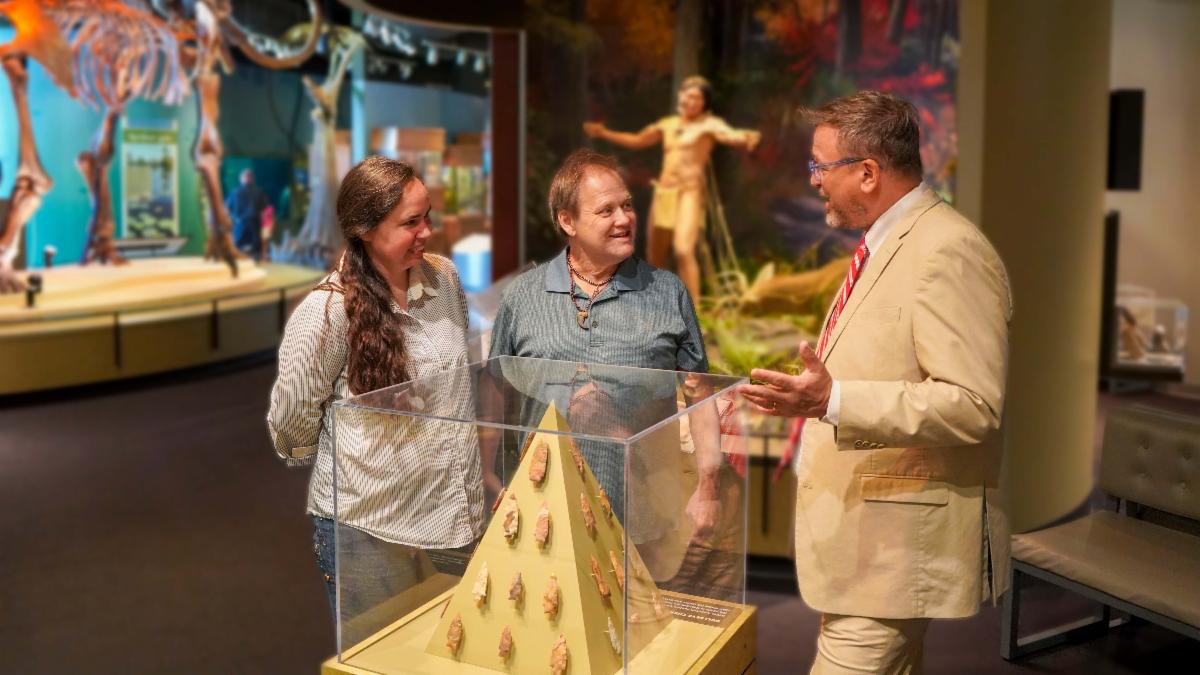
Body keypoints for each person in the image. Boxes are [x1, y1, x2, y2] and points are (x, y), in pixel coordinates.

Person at [739, 91, 1013, 674]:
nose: (813, 180)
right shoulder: (890, 241)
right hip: (869, 545)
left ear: (867, 173)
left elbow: (972, 404)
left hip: (894, 548)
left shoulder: (949, 250)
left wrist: (832, 399)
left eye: (819, 165)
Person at [487, 148, 731, 587]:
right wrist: (493, 478)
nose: (624, 219)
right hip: (545, 514)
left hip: (643, 520)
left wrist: (708, 488)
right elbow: (496, 395)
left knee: (642, 641)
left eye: (628, 205)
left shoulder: (667, 292)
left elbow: (699, 393)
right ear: (568, 221)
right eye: (606, 210)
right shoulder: (522, 297)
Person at [267, 156, 483, 622]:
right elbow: (291, 424)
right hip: (371, 532)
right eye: (411, 222)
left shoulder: (444, 279)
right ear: (365, 229)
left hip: (454, 517)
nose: (427, 231)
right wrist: (359, 460)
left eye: (428, 217)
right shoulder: (326, 314)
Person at [583, 75, 760, 300]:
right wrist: (604, 133)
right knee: (655, 254)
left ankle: (692, 312)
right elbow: (638, 140)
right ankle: (655, 306)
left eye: (697, 98)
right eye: (688, 96)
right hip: (664, 192)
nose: (691, 101)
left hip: (689, 193)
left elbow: (731, 136)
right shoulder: (668, 124)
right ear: (681, 97)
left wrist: (746, 138)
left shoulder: (709, 125)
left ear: (704, 102)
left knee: (684, 250)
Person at [225, 168, 270, 259]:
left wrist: (230, 224)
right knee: (255, 254)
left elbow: (226, 210)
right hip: (255, 226)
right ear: (252, 179)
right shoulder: (260, 192)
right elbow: (266, 211)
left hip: (239, 226)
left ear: (241, 179)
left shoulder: (234, 192)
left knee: (238, 251)